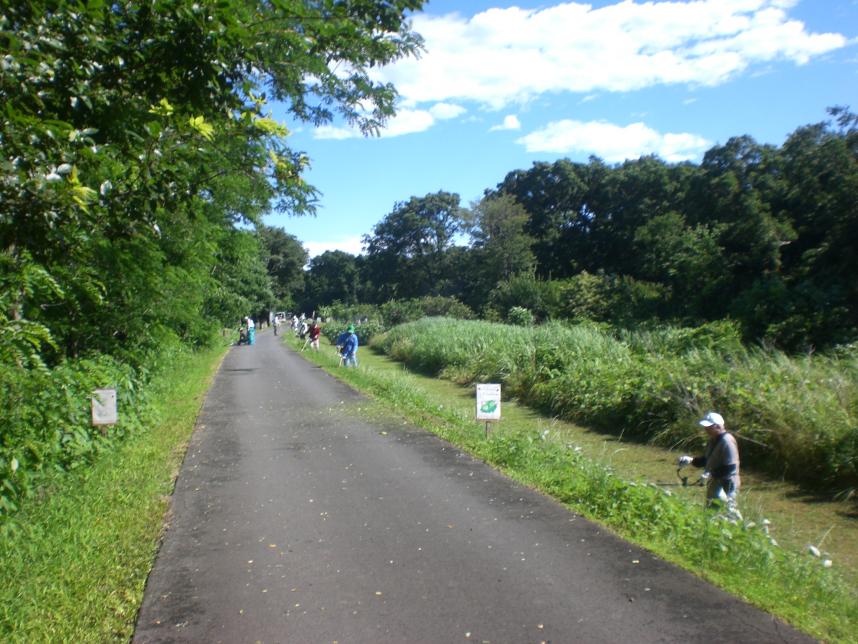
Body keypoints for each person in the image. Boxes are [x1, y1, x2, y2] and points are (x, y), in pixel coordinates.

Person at [678, 411, 741, 516]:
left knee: (731, 510)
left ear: (717, 426)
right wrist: (691, 460)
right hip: (715, 480)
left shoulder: (727, 441)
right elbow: (707, 460)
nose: (706, 429)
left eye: (709, 427)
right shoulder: (713, 440)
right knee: (711, 509)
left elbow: (731, 468)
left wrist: (711, 474)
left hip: (729, 481)